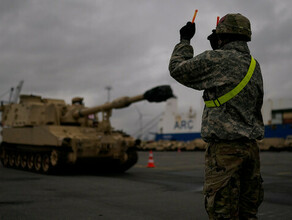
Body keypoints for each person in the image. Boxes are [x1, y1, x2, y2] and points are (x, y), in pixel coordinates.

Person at [169, 13, 264, 219]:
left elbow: (177, 69)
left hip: (225, 151)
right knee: (249, 213)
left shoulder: (216, 59)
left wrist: (185, 40)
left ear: (221, 36)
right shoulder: (255, 66)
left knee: (223, 213)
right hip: (251, 151)